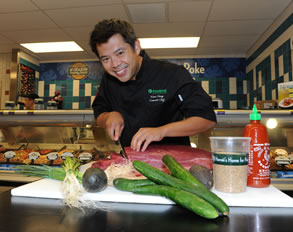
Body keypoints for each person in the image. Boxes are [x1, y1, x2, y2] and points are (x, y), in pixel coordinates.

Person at [90, 19, 217, 152]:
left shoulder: (172, 74)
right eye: (106, 59)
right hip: (129, 163)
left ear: (136, 47)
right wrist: (109, 117)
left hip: (173, 164)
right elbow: (99, 113)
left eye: (120, 53)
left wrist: (161, 131)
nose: (115, 64)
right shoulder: (108, 80)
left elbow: (206, 119)